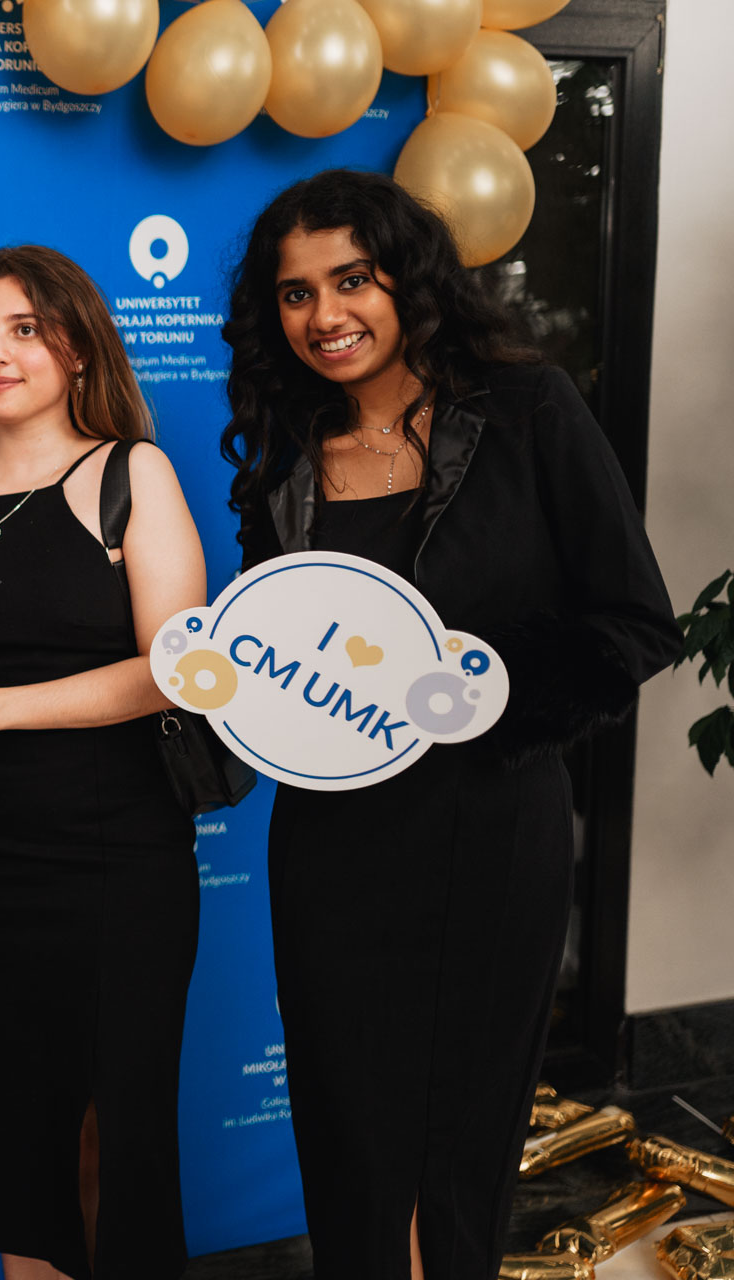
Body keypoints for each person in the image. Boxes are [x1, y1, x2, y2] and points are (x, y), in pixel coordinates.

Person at [220, 169, 681, 1279]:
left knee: (453, 1136)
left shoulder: (526, 410)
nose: (325, 315)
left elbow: (634, 624)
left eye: (352, 280)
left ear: (408, 279)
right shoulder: (286, 451)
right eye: (295, 293)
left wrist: (479, 688)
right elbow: (275, 649)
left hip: (488, 833)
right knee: (346, 1129)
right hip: (330, 845)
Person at [0, 245, 207, 1279]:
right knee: (17, 1156)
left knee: (119, 1138)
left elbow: (175, 673)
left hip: (123, 868)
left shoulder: (131, 474)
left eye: (24, 329)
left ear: (77, 346)